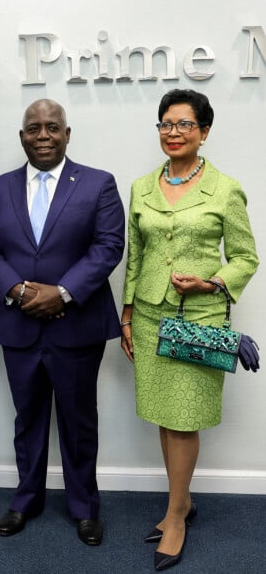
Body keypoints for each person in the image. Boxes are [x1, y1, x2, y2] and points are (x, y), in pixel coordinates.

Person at [0, 99, 125, 545]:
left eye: (52, 127)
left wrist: (61, 292)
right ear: (22, 136)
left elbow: (108, 246)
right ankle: (26, 499)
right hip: (18, 324)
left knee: (79, 421)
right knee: (28, 418)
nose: (43, 135)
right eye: (34, 128)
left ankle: (84, 507)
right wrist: (20, 291)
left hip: (77, 324)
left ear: (67, 133)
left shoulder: (98, 184)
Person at [120, 89, 259, 571]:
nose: (172, 132)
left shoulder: (225, 188)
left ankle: (176, 515)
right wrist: (127, 314)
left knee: (184, 419)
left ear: (203, 131)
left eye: (183, 124)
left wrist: (211, 282)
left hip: (199, 319)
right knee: (164, 415)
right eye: (165, 124)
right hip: (151, 315)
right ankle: (183, 500)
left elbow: (246, 257)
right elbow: (134, 255)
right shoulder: (141, 187)